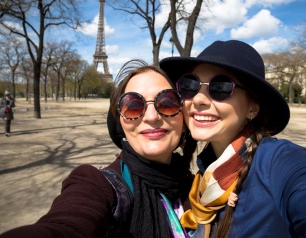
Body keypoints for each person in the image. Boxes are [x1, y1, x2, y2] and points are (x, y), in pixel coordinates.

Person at [159, 40, 306, 237]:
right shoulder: (205, 175)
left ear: (252, 108)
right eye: (190, 85)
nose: (199, 99)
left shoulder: (280, 161)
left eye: (220, 87)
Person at [0, 60, 197, 238]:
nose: (152, 117)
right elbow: (67, 223)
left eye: (168, 102)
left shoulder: (197, 185)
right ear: (120, 122)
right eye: (134, 105)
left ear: (183, 116)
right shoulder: (99, 185)